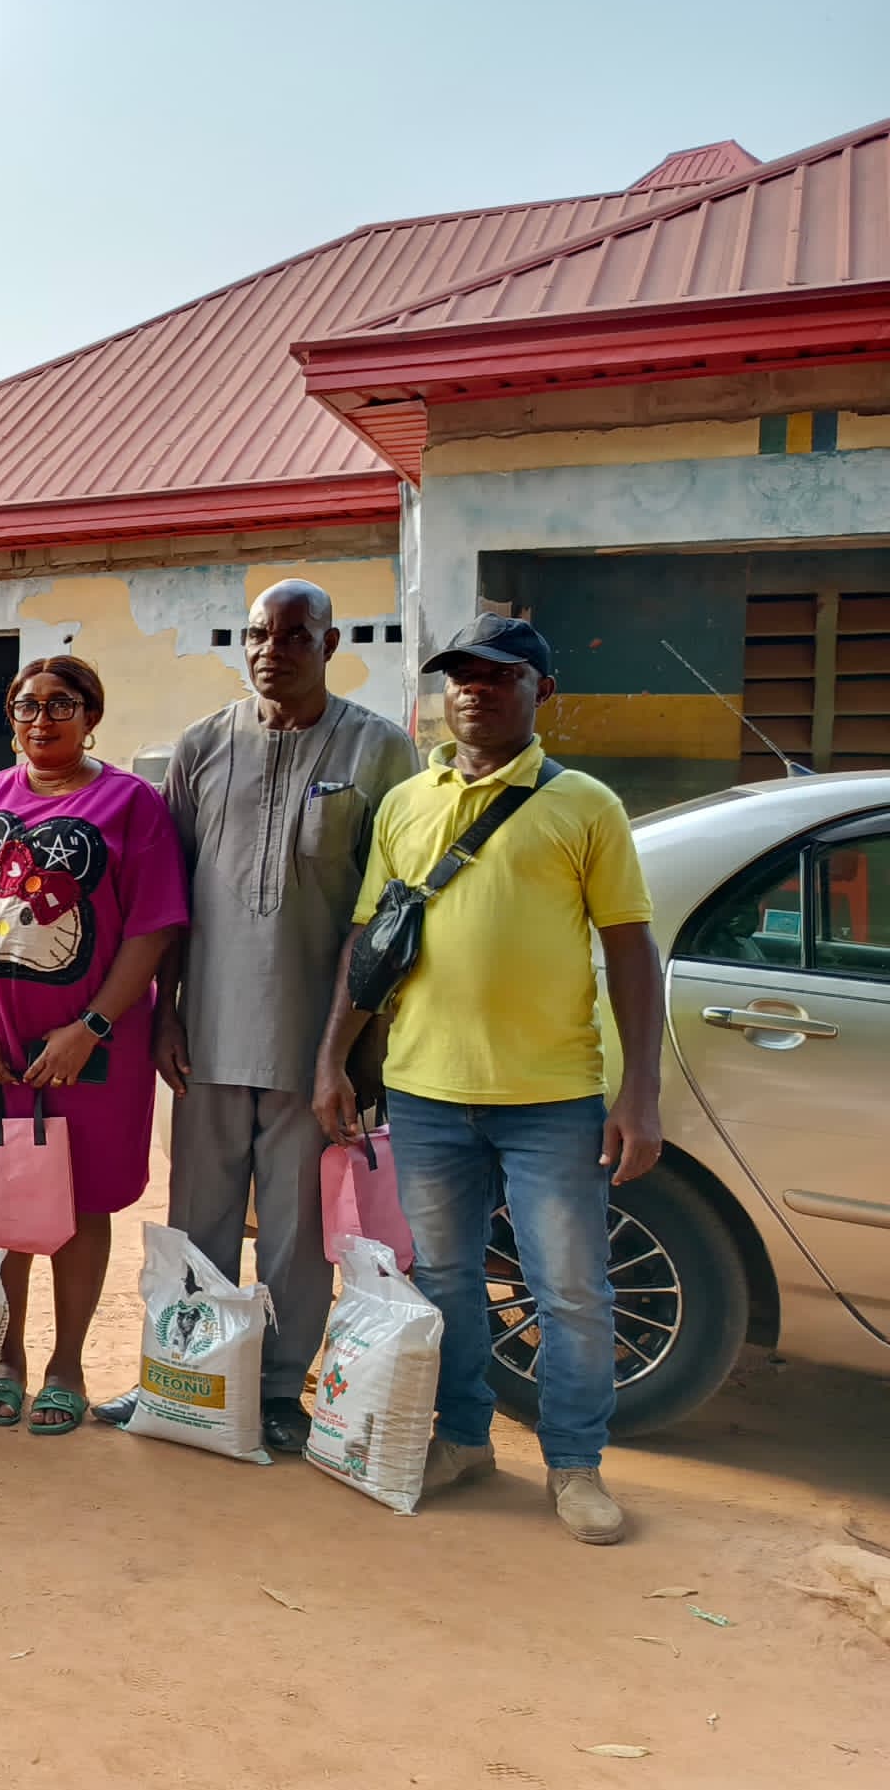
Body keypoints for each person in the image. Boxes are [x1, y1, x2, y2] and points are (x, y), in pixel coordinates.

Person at [313, 615, 662, 1545]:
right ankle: (464, 1439)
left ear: (541, 692)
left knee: (571, 1290)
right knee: (449, 1282)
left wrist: (639, 1095)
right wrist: (333, 1062)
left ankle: (576, 1465)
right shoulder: (406, 804)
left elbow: (630, 950)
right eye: (460, 675)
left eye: (499, 675)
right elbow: (371, 944)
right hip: (426, 1094)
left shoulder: (584, 804)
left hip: (551, 1099)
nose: (474, 688)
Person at [120, 581, 420, 1453]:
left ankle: (282, 1390)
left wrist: (359, 1048)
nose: (272, 650)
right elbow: (168, 895)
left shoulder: (378, 750)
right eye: (258, 634)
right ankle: (190, 1379)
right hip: (208, 1030)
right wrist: (165, 1011)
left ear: (329, 646)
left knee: (295, 1231)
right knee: (198, 1218)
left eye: (295, 635)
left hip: (312, 1043)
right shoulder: (204, 744)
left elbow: (392, 916)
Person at [0, 656, 188, 1434]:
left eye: (60, 705)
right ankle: (9, 1360)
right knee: (5, 1201)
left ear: (92, 715)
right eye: (26, 705)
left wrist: (91, 1025)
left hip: (91, 1051)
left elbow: (153, 926)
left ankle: (66, 1365)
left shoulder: (130, 805)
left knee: (83, 1197)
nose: (41, 719)